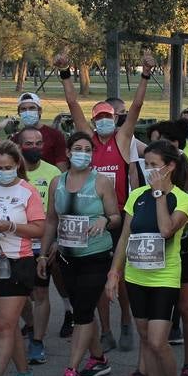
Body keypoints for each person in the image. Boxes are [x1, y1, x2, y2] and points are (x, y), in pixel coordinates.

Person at [54, 50, 147, 352]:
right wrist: (66, 71)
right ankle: (105, 329)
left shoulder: (122, 139)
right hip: (87, 217)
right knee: (94, 283)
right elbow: (71, 104)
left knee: (118, 276)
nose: (104, 121)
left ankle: (125, 323)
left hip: (116, 216)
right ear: (94, 121)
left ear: (114, 118)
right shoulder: (87, 140)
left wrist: (145, 74)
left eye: (109, 116)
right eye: (99, 117)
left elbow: (136, 107)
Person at [107, 141, 188, 376]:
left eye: (155, 165)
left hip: (164, 277)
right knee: (146, 338)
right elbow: (125, 237)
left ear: (170, 167)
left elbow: (167, 229)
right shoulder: (137, 196)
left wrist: (159, 194)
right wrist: (114, 272)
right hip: (136, 275)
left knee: (159, 341)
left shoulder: (182, 198)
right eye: (146, 164)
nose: (149, 170)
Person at [44, 132, 123, 376]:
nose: (83, 153)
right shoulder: (57, 182)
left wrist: (105, 220)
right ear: (67, 153)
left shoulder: (100, 182)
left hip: (96, 256)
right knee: (82, 309)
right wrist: (44, 253)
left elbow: (116, 216)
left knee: (83, 312)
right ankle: (99, 359)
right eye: (77, 148)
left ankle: (71, 370)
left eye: (87, 149)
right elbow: (51, 221)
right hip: (67, 257)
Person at [0, 141, 46, 376]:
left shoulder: (27, 191)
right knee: (5, 324)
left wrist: (12, 226)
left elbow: (39, 229)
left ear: (17, 165)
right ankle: (24, 374)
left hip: (18, 261)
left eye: (8, 167)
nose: (3, 172)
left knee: (4, 326)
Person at [16, 125, 62, 365]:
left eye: (38, 143)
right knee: (19, 295)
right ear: (19, 144)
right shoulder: (11, 171)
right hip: (15, 243)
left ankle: (37, 341)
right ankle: (31, 323)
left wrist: (55, 240)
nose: (34, 147)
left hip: (42, 243)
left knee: (41, 293)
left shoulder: (53, 172)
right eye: (28, 143)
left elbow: (58, 212)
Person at [16, 92, 67, 167]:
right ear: (19, 113)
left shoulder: (55, 135)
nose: (28, 112)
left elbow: (61, 164)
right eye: (23, 109)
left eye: (32, 108)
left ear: (40, 111)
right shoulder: (16, 138)